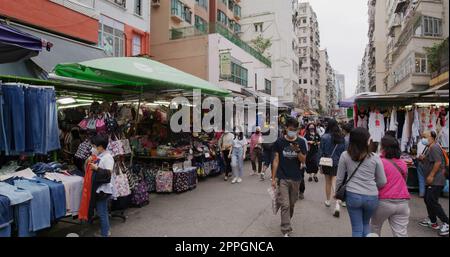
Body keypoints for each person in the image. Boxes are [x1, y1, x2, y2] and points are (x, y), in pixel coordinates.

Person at [336, 128, 386, 237]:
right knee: (366, 224)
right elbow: (382, 181)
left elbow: (339, 178)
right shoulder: (375, 157)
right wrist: (373, 187)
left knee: (357, 229)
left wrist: (338, 192)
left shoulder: (345, 155)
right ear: (366, 141)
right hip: (371, 196)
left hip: (353, 195)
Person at [271, 117, 307, 237]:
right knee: (285, 204)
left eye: (295, 130)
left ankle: (287, 220)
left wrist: (297, 151)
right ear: (286, 128)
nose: (293, 132)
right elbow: (276, 160)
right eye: (291, 129)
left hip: (296, 178)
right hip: (283, 178)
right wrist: (273, 178)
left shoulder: (301, 142)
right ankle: (286, 229)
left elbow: (303, 161)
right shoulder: (279, 142)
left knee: (291, 204)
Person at [371, 136, 410, 237]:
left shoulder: (379, 162)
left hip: (383, 201)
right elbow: (404, 181)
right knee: (401, 233)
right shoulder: (403, 163)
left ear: (383, 148)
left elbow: (374, 180)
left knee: (375, 228)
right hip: (403, 203)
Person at [418, 131, 449, 236]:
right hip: (432, 179)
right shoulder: (429, 147)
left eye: (425, 137)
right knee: (428, 199)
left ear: (432, 137)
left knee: (432, 200)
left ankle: (447, 222)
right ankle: (432, 221)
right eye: (422, 137)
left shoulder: (434, 147)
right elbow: (430, 162)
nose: (423, 139)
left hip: (436, 179)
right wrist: (423, 159)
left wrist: (431, 175)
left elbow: (438, 162)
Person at [319, 119, 346, 217]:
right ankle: (338, 201)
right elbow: (344, 151)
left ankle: (328, 200)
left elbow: (320, 151)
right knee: (335, 180)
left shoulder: (324, 137)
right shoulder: (342, 137)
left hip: (326, 161)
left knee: (328, 181)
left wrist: (319, 164)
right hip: (338, 162)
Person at [89, 135, 114, 237]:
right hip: (99, 189)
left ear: (100, 147)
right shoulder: (101, 155)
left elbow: (108, 174)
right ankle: (106, 230)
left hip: (103, 190)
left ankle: (105, 234)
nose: (92, 148)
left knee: (102, 212)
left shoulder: (108, 157)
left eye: (94, 146)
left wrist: (96, 168)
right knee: (102, 211)